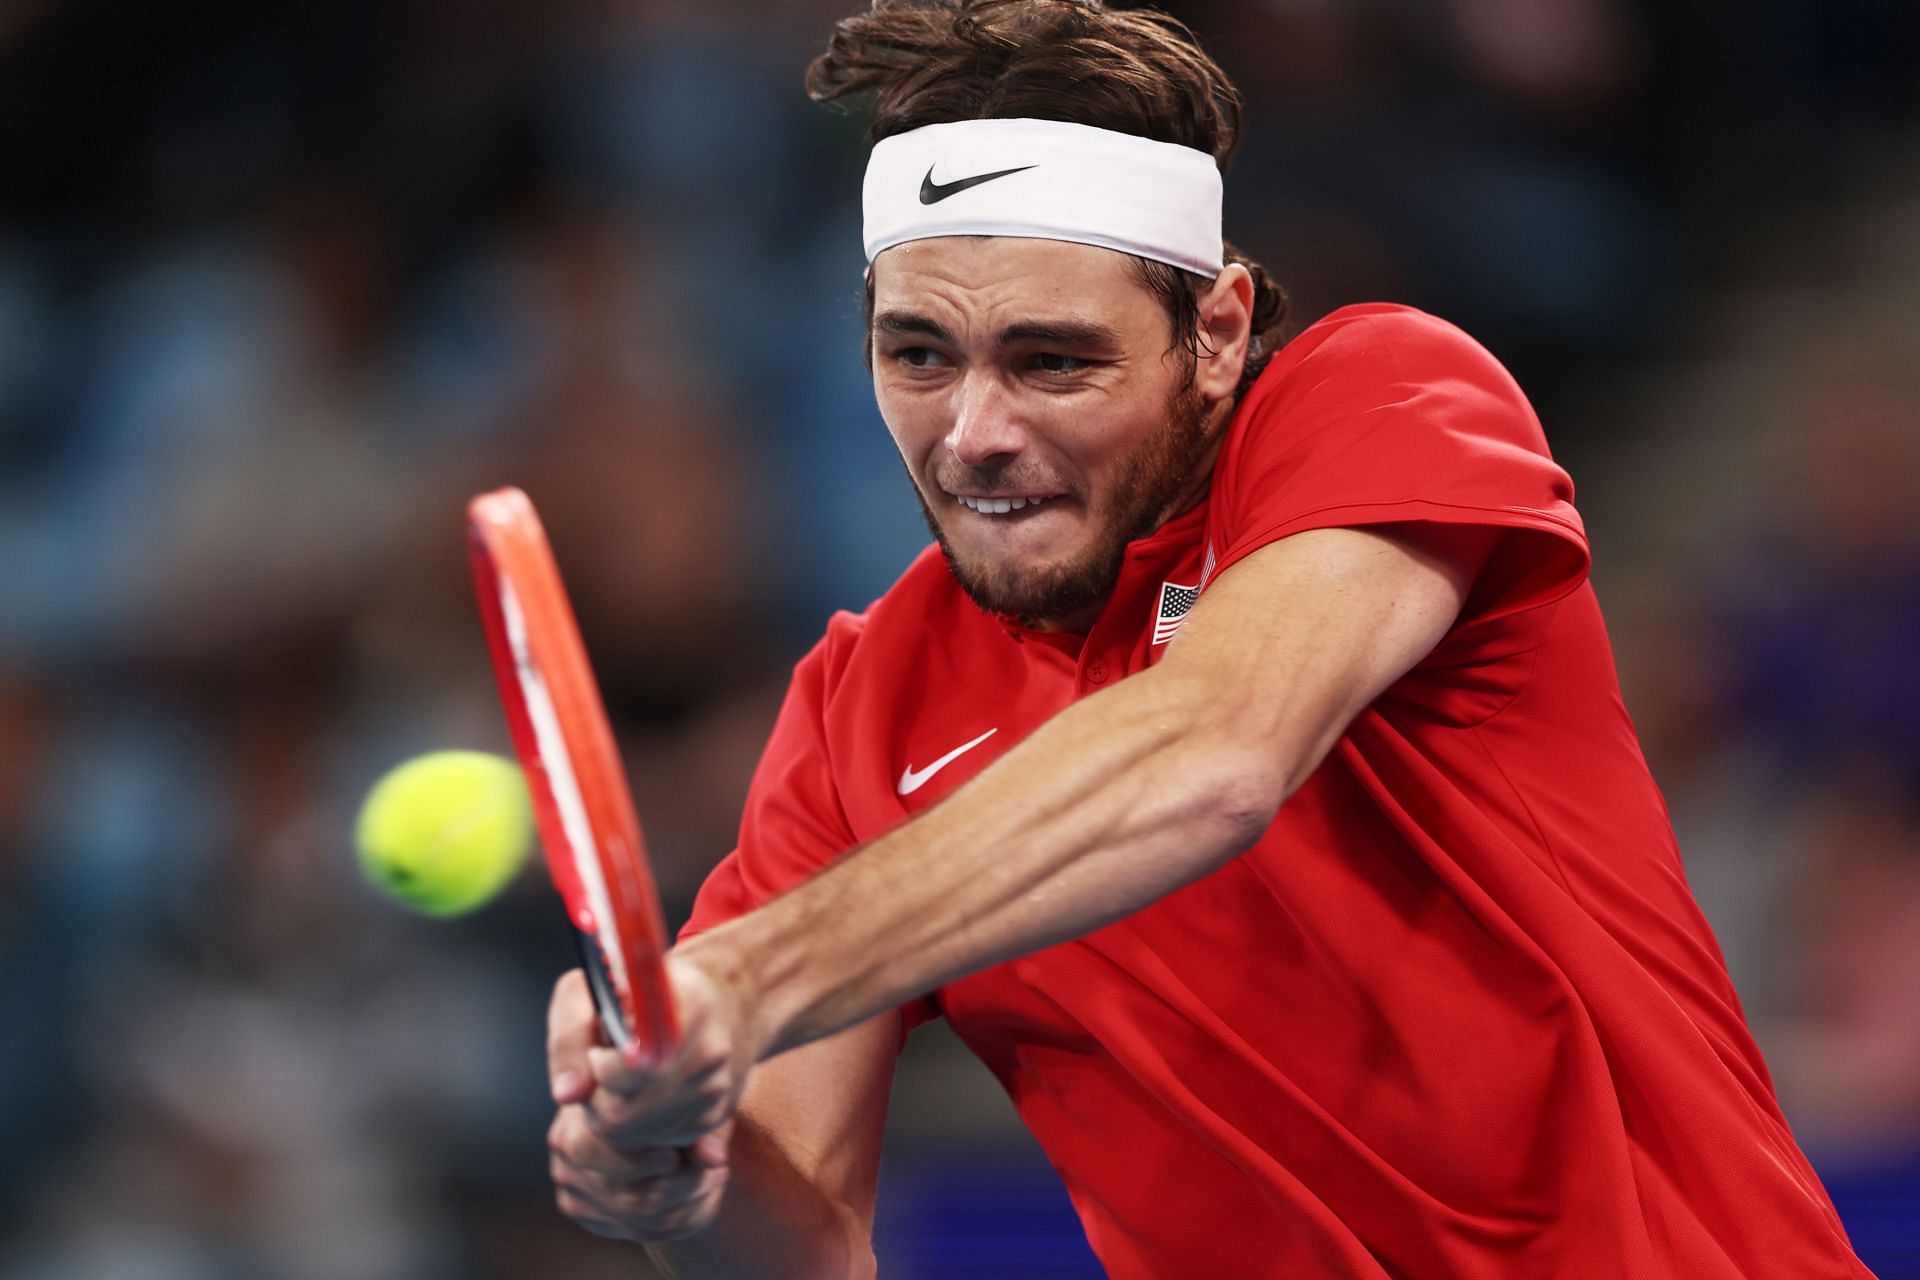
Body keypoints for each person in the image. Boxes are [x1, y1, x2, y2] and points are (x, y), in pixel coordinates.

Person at [544, 2, 1876, 1276]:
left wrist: (739, 978)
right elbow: (808, 1246)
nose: (974, 433)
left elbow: (1216, 753)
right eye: (919, 356)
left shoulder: (1388, 397)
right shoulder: (858, 713)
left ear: (1220, 331)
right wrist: (683, 1168)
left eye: (1053, 361)